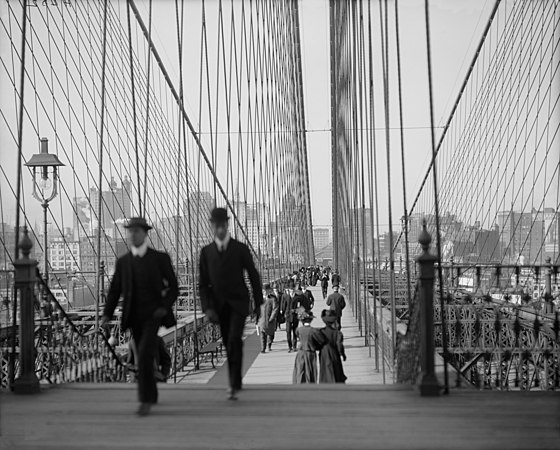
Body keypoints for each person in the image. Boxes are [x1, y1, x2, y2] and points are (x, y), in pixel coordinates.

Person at [101, 217, 178, 416]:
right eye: (130, 231)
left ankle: (144, 400)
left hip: (154, 316)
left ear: (145, 233)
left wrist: (163, 307)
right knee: (143, 356)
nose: (132, 234)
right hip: (133, 317)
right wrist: (106, 314)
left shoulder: (159, 259)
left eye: (136, 231)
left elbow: (173, 288)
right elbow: (114, 290)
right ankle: (151, 393)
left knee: (143, 355)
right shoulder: (123, 262)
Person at [198, 207, 263, 400]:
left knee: (234, 339)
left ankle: (233, 383)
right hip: (218, 307)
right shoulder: (206, 252)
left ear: (227, 225)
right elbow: (203, 284)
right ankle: (236, 381)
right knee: (228, 342)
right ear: (212, 226)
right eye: (216, 225)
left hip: (238, 304)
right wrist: (207, 307)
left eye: (223, 225)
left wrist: (258, 303)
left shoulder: (240, 249)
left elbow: (253, 275)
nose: (219, 229)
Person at [292, 308, 325, 384]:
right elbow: (321, 340)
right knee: (310, 370)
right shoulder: (314, 331)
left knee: (300, 370)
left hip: (301, 352)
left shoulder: (298, 330)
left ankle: (299, 382)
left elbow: (298, 336)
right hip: (310, 352)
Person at [319, 310, 347, 383]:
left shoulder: (320, 332)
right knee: (336, 372)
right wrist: (342, 354)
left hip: (324, 355)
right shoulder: (337, 333)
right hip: (334, 354)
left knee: (325, 372)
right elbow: (339, 344)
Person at [258, 283, 279, 353]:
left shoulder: (272, 298)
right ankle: (262, 348)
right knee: (262, 334)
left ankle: (269, 344)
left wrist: (272, 318)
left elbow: (275, 308)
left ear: (269, 290)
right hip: (262, 319)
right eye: (263, 290)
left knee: (270, 334)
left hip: (270, 319)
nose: (265, 292)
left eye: (266, 290)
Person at [281, 280, 300, 352]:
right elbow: (283, 306)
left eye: (293, 289)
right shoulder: (285, 296)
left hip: (295, 316)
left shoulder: (298, 297)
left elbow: (300, 306)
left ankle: (294, 346)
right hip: (288, 316)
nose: (292, 290)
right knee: (288, 331)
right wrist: (283, 314)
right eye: (290, 289)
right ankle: (290, 346)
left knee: (295, 332)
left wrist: (296, 311)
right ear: (288, 289)